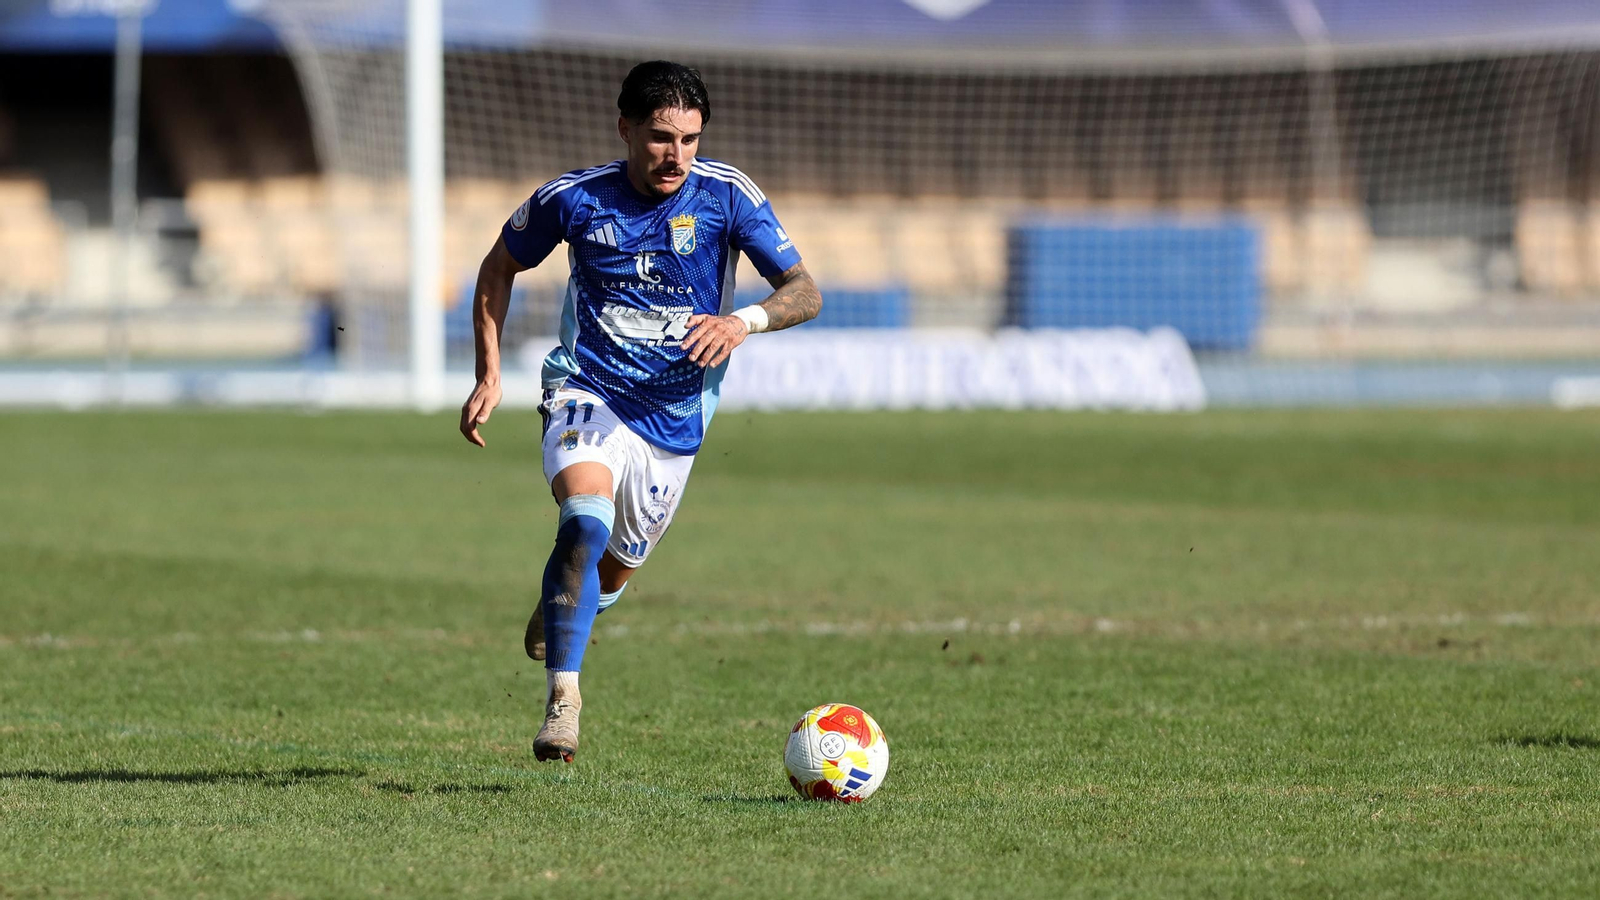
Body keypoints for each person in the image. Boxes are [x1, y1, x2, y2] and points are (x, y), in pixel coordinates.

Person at [458, 61, 822, 762]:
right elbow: (499, 265)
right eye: (660, 137)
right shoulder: (574, 199)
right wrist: (490, 373)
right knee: (583, 522)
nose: (675, 155)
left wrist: (742, 321)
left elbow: (804, 290)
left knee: (613, 569)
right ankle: (563, 703)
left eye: (689, 139)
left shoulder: (727, 195)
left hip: (675, 417)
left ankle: (571, 601)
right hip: (587, 390)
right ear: (624, 128)